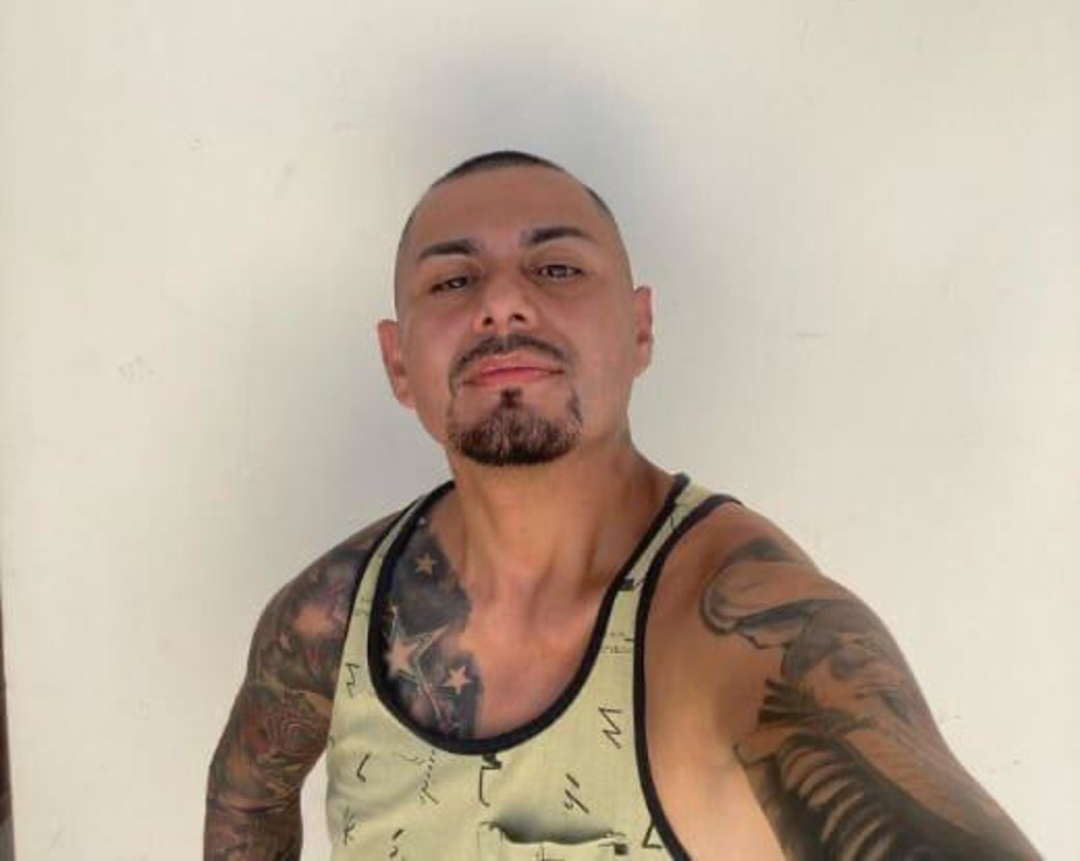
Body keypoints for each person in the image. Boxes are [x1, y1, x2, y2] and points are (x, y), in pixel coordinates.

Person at [205, 150, 1039, 860]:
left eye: (557, 269)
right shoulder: (328, 617)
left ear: (640, 329)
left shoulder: (749, 631)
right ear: (397, 362)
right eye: (454, 280)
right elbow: (248, 804)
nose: (501, 303)